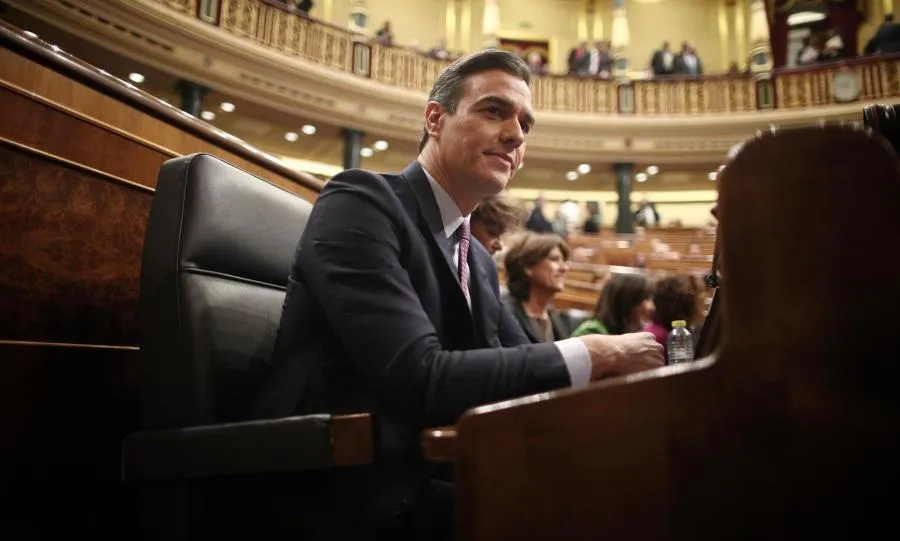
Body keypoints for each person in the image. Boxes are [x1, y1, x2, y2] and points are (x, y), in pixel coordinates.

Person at [255, 49, 663, 540]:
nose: (516, 135)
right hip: (347, 491)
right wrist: (595, 353)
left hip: (432, 471)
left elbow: (522, 365)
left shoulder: (475, 259)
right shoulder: (362, 202)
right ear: (435, 118)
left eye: (525, 125)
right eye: (495, 111)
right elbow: (418, 378)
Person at [502, 233, 576, 343]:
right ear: (528, 267)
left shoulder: (557, 319)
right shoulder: (505, 314)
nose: (564, 268)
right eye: (555, 259)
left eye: (564, 261)